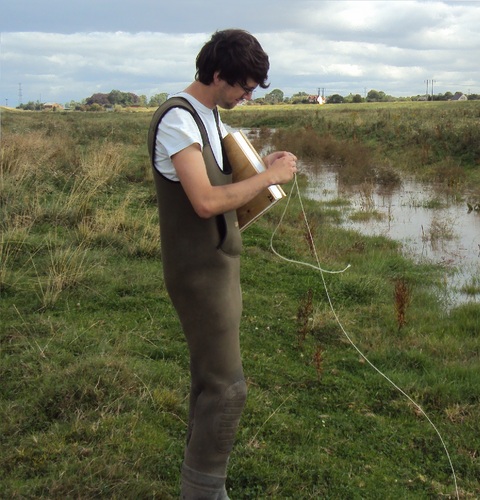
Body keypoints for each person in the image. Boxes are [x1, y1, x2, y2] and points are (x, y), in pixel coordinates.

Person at [148, 29, 297, 499]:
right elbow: (207, 201)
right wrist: (271, 178)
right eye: (244, 86)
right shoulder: (178, 120)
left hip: (219, 267)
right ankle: (205, 493)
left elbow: (224, 179)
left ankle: (199, 486)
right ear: (216, 75)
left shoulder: (209, 116)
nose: (248, 96)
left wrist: (257, 168)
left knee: (209, 380)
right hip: (197, 274)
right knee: (227, 388)